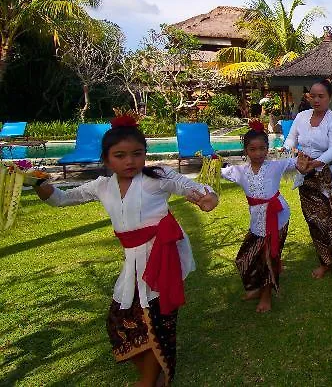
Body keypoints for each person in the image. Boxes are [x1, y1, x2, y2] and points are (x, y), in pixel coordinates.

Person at [31, 112, 218, 386]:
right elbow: (61, 198)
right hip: (132, 261)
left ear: (145, 154)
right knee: (117, 322)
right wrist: (36, 183)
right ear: (106, 159)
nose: (130, 161)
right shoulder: (102, 186)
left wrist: (207, 197)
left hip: (161, 257)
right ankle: (153, 373)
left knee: (156, 319)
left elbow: (190, 186)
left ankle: (150, 378)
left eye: (137, 153)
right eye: (120, 155)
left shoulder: (157, 177)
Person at [221, 119, 302, 313]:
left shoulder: (275, 166)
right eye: (252, 149)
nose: (258, 154)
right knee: (244, 258)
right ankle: (255, 288)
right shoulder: (239, 171)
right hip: (257, 222)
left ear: (267, 148)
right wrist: (212, 162)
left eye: (262, 149)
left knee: (268, 258)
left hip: (278, 217)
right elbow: (221, 172)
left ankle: (266, 295)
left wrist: (309, 160)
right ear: (246, 151)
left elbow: (296, 162)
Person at [284, 79, 332, 279]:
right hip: (306, 175)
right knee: (315, 220)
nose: (316, 100)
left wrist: (315, 163)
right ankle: (324, 261)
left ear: (329, 98)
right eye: (312, 95)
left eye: (321, 96)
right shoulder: (301, 117)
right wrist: (290, 149)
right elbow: (291, 139)